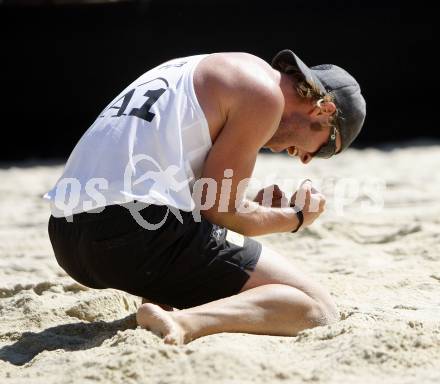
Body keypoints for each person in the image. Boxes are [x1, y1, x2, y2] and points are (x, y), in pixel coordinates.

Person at [45, 49, 366, 344]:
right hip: (131, 237)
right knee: (315, 307)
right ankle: (185, 323)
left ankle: (159, 297)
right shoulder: (263, 95)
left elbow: (195, 194)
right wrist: (294, 218)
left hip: (67, 236)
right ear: (324, 110)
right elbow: (219, 212)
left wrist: (251, 205)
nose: (307, 159)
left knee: (194, 236)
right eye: (325, 147)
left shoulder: (206, 68)